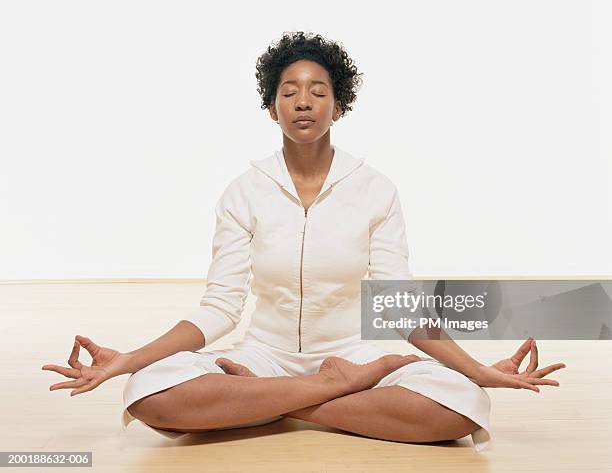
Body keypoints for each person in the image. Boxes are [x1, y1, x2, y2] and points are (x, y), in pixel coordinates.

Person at [42, 31, 566, 452]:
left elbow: (394, 304)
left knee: (461, 402)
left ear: (338, 106)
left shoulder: (374, 189)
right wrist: (129, 360)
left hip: (348, 352)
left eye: (318, 91)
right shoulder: (243, 192)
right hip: (264, 355)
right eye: (289, 91)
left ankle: (258, 405)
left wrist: (477, 371)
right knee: (147, 393)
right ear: (272, 107)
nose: (303, 102)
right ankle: (327, 392)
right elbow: (220, 307)